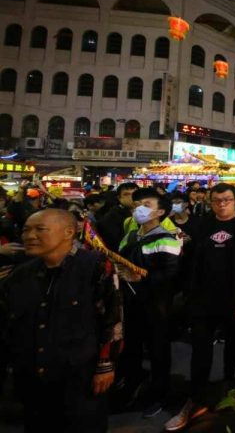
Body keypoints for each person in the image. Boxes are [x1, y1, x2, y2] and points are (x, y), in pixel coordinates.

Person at [0, 209, 122, 432]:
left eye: (40, 229)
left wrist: (105, 365)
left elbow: (112, 317)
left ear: (69, 232)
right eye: (26, 230)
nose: (29, 236)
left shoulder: (95, 265)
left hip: (78, 375)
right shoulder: (19, 274)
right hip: (32, 375)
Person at [165, 183, 235, 431]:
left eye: (227, 200)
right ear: (211, 201)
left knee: (233, 348)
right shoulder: (202, 225)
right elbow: (190, 262)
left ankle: (229, 392)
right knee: (200, 351)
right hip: (202, 300)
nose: (222, 204)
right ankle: (196, 398)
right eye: (217, 200)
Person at [117, 188, 181, 417]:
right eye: (137, 204)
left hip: (156, 307)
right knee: (131, 350)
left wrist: (141, 277)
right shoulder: (132, 235)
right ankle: (132, 389)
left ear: (160, 211)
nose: (139, 208)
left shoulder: (168, 239)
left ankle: (160, 396)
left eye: (146, 204)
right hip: (129, 303)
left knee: (158, 353)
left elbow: (172, 275)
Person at [96, 181, 138, 252]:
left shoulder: (142, 213)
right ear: (119, 198)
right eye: (127, 194)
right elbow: (114, 244)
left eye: (135, 194)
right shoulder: (112, 217)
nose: (132, 197)